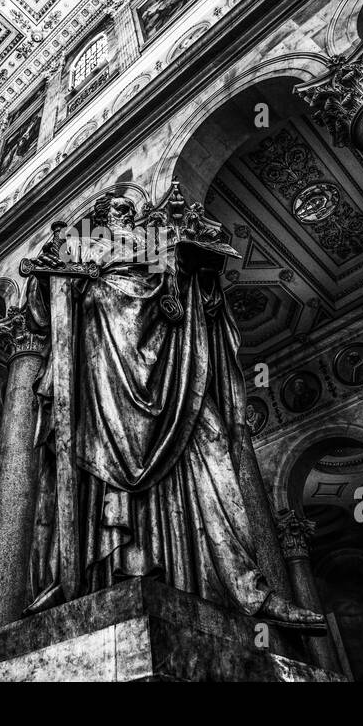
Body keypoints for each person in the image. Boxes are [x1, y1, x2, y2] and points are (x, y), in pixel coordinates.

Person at [24, 193, 324, 629]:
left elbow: (199, 300)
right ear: (99, 217)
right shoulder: (81, 245)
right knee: (108, 481)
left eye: (130, 208)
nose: (124, 212)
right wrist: (48, 274)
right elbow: (40, 313)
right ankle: (107, 573)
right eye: (114, 208)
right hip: (103, 371)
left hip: (170, 369)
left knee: (213, 442)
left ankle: (249, 590)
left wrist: (200, 276)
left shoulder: (159, 244)